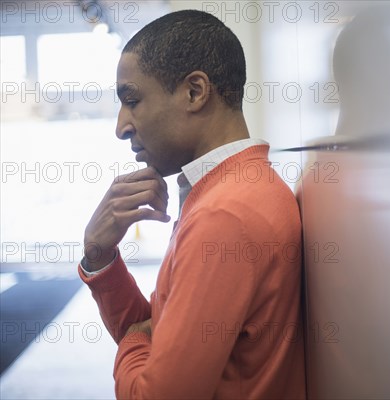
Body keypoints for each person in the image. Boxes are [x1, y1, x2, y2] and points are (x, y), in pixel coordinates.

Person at [78, 10, 306, 399]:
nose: (121, 127)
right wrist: (99, 257)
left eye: (132, 100)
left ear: (195, 92)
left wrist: (136, 340)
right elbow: (160, 331)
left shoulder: (225, 215)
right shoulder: (234, 188)